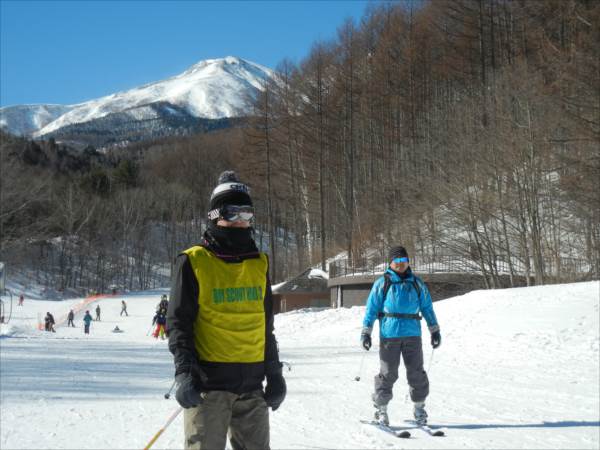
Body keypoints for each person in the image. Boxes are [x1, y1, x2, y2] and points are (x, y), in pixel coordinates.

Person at [167, 170, 286, 450]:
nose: (241, 222)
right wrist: (184, 373)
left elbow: (264, 325)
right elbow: (178, 324)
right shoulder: (193, 261)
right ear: (215, 215)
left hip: (253, 387)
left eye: (247, 214)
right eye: (233, 213)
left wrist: (275, 373)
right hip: (209, 388)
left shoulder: (259, 263)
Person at [361, 246, 441, 426]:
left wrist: (434, 330)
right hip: (389, 335)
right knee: (388, 373)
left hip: (413, 335)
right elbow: (371, 310)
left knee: (416, 373)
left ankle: (419, 408)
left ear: (408, 262)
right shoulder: (382, 283)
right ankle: (381, 410)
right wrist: (366, 332)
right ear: (390, 263)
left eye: (403, 261)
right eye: (396, 262)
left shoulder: (417, 283)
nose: (400, 265)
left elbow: (427, 308)